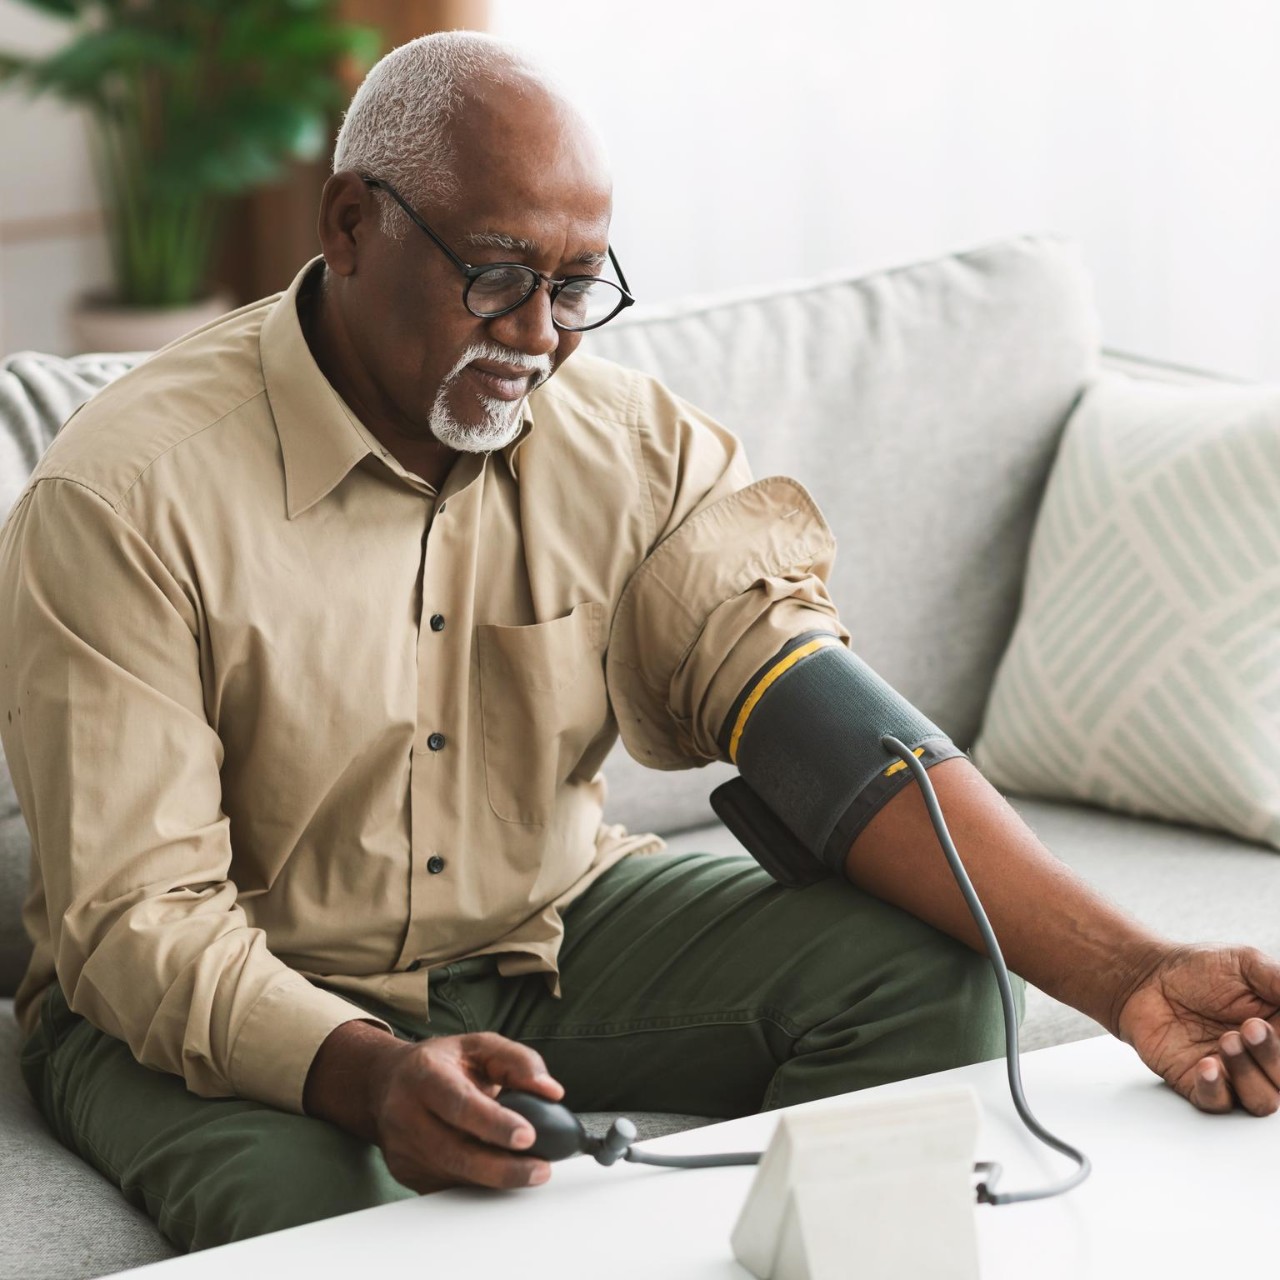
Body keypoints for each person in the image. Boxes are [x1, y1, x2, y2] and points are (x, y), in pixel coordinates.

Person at [1, 31, 1277, 1255]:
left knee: (930, 979)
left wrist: (1131, 975)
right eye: (495, 273)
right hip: (214, 991)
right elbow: (137, 920)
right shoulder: (126, 495)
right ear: (348, 224)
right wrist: (371, 1074)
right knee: (346, 1223)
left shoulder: (632, 449)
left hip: (539, 929)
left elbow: (824, 733)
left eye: (575, 286)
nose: (538, 335)